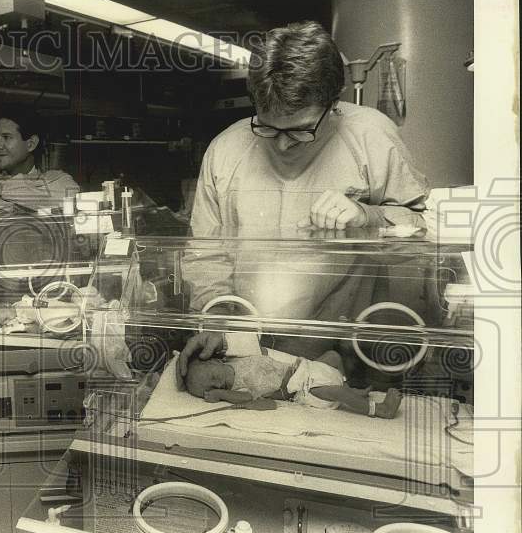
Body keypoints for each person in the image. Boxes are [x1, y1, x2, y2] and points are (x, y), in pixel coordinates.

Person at [179, 21, 431, 377]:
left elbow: (422, 233)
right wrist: (216, 321)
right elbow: (206, 255)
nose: (282, 144)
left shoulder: (370, 136)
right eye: (268, 127)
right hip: (248, 348)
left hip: (344, 350)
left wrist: (367, 216)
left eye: (300, 129)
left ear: (333, 104)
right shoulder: (226, 150)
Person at [180, 345, 402, 419]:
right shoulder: (237, 387)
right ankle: (380, 410)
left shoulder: (236, 359)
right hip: (301, 389)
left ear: (216, 360)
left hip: (304, 368)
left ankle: (350, 389)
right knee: (337, 394)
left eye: (210, 376)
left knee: (334, 357)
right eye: (210, 389)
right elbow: (248, 398)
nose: (216, 385)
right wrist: (222, 396)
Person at [0, 112, 79, 209]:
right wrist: (28, 204)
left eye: (6, 137)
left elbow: (71, 195)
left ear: (31, 144)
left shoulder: (58, 180)